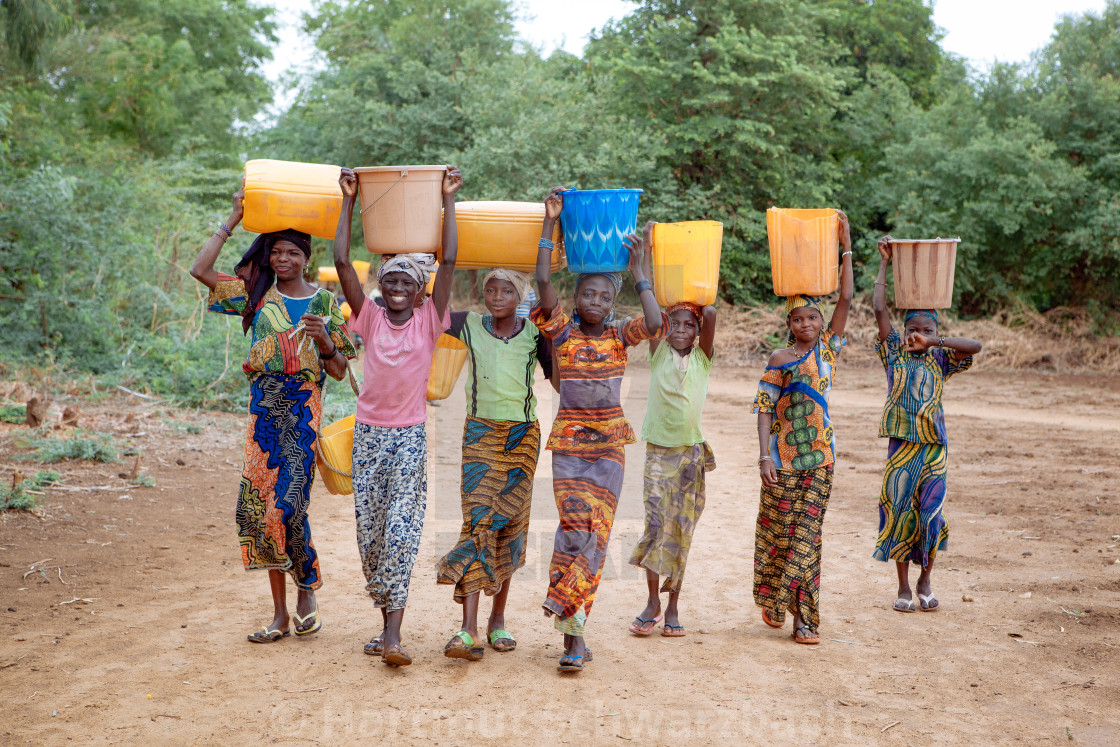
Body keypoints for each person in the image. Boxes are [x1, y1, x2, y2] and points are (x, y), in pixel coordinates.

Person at [189, 187, 355, 644]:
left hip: (303, 413)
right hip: (262, 415)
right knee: (260, 509)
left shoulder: (324, 304)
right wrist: (234, 217)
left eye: (291, 253)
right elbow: (199, 269)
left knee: (291, 506)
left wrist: (324, 340)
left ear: (306, 257)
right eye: (276, 251)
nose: (282, 259)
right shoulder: (255, 294)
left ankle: (306, 589)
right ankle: (280, 614)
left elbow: (339, 371)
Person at [332, 165, 462, 667]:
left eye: (406, 280)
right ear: (380, 285)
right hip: (368, 439)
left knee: (401, 534)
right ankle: (382, 616)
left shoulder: (430, 321)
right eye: (389, 280)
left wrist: (448, 199)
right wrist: (349, 199)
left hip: (408, 439)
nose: (397, 287)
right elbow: (343, 261)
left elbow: (448, 259)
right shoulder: (368, 317)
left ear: (421, 288)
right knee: (370, 536)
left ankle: (393, 635)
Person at [532, 188, 666, 673]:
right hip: (568, 445)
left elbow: (655, 324)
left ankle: (566, 616)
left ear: (613, 302)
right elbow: (543, 278)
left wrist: (639, 274)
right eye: (587, 293)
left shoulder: (618, 334)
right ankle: (574, 636)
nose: (594, 300)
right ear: (575, 299)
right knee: (573, 531)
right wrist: (550, 224)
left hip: (610, 446)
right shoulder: (562, 332)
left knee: (598, 533)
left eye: (604, 296)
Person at [434, 269, 554, 661]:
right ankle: (467, 630)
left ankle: (497, 621)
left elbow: (559, 377)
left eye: (506, 290)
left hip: (522, 439)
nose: (497, 296)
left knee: (510, 528)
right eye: (490, 289)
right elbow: (430, 306)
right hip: (480, 436)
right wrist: (433, 264)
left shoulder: (536, 333)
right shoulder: (468, 324)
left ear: (519, 296)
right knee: (477, 524)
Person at [752, 211, 854, 645]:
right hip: (782, 462)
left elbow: (846, 298)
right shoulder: (778, 358)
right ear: (788, 325)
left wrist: (846, 242)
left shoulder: (829, 349)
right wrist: (762, 455)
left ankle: (804, 619)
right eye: (799, 320)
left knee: (808, 539)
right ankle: (775, 601)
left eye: (814, 318)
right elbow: (763, 407)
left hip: (821, 462)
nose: (808, 325)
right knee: (779, 534)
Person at [871, 237, 982, 612]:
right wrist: (885, 264)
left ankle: (926, 580)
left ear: (934, 333)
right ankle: (903, 587)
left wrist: (938, 342)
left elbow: (976, 346)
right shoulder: (893, 356)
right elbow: (878, 309)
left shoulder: (942, 360)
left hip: (934, 449)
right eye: (911, 328)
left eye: (925, 329)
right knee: (899, 512)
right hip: (901, 448)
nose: (916, 333)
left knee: (930, 514)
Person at [628, 224, 718, 638]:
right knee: (655, 526)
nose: (681, 329)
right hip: (658, 454)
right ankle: (651, 602)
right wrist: (643, 260)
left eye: (688, 325)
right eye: (675, 323)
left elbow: (711, 312)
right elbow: (653, 311)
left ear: (698, 333)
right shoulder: (658, 348)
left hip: (690, 455)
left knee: (681, 531)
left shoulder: (702, 359)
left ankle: (674, 606)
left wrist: (698, 285)